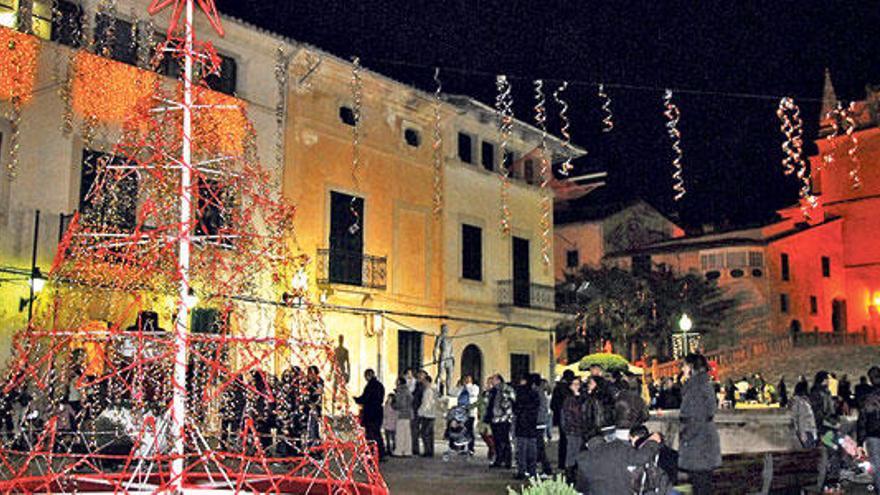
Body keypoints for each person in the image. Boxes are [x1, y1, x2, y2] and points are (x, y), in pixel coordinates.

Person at [575, 424, 664, 494]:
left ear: (586, 444)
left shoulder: (582, 459)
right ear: (603, 438)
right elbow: (641, 457)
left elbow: (581, 488)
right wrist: (652, 442)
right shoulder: (618, 447)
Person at [678, 353, 721, 495]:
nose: (681, 369)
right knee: (702, 485)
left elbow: (696, 419)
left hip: (698, 447)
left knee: (700, 486)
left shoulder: (695, 388)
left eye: (683, 365)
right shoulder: (702, 385)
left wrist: (685, 435)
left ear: (691, 367)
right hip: (703, 445)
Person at [512, 374, 540, 480]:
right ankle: (532, 471)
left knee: (521, 449)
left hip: (521, 424)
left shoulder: (520, 392)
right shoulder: (534, 393)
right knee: (532, 448)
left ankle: (522, 471)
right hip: (532, 424)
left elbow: (516, 407)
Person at [857, 366, 880, 491]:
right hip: (874, 435)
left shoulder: (868, 398)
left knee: (877, 467)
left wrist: (860, 442)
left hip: (873, 435)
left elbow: (862, 421)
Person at [354, 369, 385, 459]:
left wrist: (357, 399)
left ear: (367, 376)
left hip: (371, 412)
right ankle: (381, 452)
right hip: (378, 411)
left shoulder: (370, 386)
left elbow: (365, 398)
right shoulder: (380, 385)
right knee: (377, 433)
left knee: (371, 434)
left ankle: (373, 453)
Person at [485, 374, 515, 469]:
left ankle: (507, 461)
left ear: (498, 380)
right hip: (495, 419)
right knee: (497, 441)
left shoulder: (505, 389)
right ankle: (499, 460)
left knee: (505, 440)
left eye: (493, 380)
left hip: (504, 419)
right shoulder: (493, 391)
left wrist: (505, 414)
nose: (491, 382)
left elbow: (509, 403)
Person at [561, 376, 584, 481]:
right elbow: (569, 415)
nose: (577, 386)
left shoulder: (582, 398)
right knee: (571, 452)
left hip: (580, 430)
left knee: (579, 453)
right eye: (574, 384)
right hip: (572, 430)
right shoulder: (568, 399)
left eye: (578, 384)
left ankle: (575, 473)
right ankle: (570, 474)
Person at [550, 369, 574, 471]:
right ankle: (567, 463)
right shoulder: (568, 390)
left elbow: (552, 404)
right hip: (568, 417)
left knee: (563, 441)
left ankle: (562, 462)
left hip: (560, 416)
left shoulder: (557, 388)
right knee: (569, 441)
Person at [790, 380, 817, 448]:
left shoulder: (801, 401)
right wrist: (802, 434)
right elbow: (801, 418)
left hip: (808, 430)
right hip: (806, 431)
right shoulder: (801, 403)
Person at [535, 376, 553, 476]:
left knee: (540, 447)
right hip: (542, 421)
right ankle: (545, 468)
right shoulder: (542, 392)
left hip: (539, 422)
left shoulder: (538, 392)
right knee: (539, 446)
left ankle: (546, 469)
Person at [392, 377, 414, 457]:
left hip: (401, 414)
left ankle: (399, 450)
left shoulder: (400, 392)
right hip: (408, 414)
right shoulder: (408, 391)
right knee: (407, 434)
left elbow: (400, 404)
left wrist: (393, 405)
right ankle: (407, 450)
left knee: (400, 434)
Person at [809, 371, 836, 436]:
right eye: (828, 379)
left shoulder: (826, 391)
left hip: (828, 420)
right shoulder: (816, 392)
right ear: (823, 380)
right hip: (821, 423)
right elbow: (816, 409)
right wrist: (826, 419)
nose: (829, 381)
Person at [418, 375, 437, 457]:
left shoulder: (428, 391)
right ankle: (430, 451)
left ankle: (428, 451)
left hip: (427, 414)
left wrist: (420, 412)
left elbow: (426, 403)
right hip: (431, 414)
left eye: (424, 381)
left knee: (425, 433)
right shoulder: (433, 390)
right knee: (429, 434)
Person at [411, 370, 425, 456]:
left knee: (416, 430)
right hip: (416, 409)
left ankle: (416, 449)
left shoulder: (422, 386)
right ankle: (415, 448)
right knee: (415, 430)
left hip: (418, 410)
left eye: (421, 376)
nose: (419, 378)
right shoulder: (418, 385)